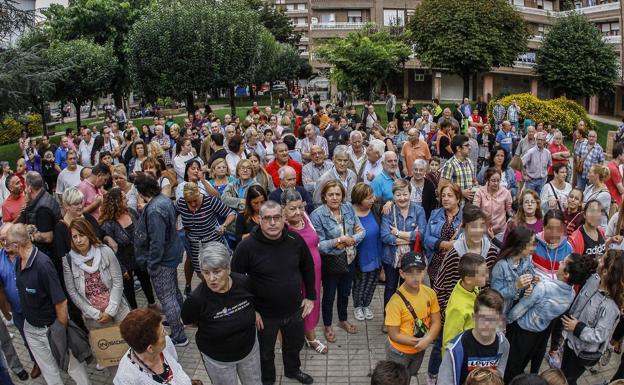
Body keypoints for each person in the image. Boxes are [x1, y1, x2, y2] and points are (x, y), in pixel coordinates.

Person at [232, 200, 315, 385]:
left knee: (294, 345)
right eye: (267, 218)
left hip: (295, 309)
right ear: (259, 220)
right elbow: (235, 281)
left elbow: (308, 267)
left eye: (277, 218)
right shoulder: (246, 247)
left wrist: (311, 296)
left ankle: (293, 370)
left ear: (284, 218)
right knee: (265, 353)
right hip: (264, 315)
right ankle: (267, 380)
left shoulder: (295, 240)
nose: (272, 223)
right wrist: (250, 310)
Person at [6, 223, 92, 385]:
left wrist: (59, 331)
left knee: (72, 366)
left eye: (7, 244)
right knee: (49, 370)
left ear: (17, 245)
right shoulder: (19, 261)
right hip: (31, 329)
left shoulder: (42, 265)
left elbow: (61, 302)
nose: (5, 247)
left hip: (51, 329)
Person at [504, 253, 596, 382]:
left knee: (512, 364)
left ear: (566, 274)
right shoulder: (571, 294)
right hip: (540, 332)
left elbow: (520, 309)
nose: (559, 263)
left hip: (522, 330)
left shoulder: (544, 288)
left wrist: (507, 321)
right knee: (522, 363)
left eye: (563, 263)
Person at [181, 242, 261, 385]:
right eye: (206, 272)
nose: (211, 279)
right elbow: (189, 321)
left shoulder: (244, 283)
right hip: (218, 360)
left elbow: (254, 302)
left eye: (217, 271)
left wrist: (255, 313)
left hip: (249, 351)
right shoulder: (196, 299)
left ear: (228, 269)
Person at [134, 174, 188, 346]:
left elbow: (157, 241)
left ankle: (179, 335)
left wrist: (152, 263)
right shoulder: (163, 200)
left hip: (163, 259)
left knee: (167, 298)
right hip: (171, 254)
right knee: (173, 291)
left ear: (142, 192)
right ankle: (180, 320)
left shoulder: (154, 209)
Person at [311, 180, 364, 343]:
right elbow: (319, 245)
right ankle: (327, 325)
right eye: (331, 194)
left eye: (338, 194)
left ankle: (343, 319)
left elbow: (362, 231)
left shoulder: (348, 208)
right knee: (329, 295)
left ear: (342, 195)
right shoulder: (317, 215)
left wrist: (350, 240)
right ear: (324, 197)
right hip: (331, 262)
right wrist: (338, 240)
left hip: (349, 258)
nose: (335, 197)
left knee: (345, 292)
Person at [560, 249, 624, 385]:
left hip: (582, 352)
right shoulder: (594, 278)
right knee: (562, 373)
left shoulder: (611, 307)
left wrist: (577, 327)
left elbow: (599, 335)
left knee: (568, 379)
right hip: (570, 340)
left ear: (606, 271)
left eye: (602, 259)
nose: (599, 259)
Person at [63, 217, 130, 332]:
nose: (79, 240)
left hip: (119, 312)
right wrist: (94, 313)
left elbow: (118, 281)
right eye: (75, 237)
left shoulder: (105, 251)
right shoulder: (68, 261)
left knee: (131, 345)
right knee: (107, 349)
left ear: (89, 234)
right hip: (95, 320)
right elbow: (72, 292)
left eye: (82, 235)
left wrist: (110, 310)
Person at [281, 189, 326, 354]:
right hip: (297, 276)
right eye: (292, 208)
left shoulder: (305, 216)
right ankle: (295, 341)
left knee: (313, 304)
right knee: (299, 308)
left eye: (300, 207)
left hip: (315, 274)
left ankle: (310, 336)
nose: (298, 212)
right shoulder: (282, 228)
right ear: (283, 209)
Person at [384, 251, 441, 377]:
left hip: (419, 348)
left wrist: (428, 338)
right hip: (399, 352)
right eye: (410, 272)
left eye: (419, 271)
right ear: (402, 273)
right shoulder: (395, 302)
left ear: (425, 271)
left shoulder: (430, 293)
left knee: (409, 376)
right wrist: (422, 341)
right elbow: (394, 334)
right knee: (396, 379)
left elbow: (436, 320)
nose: (416, 277)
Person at [100, 188, 156, 310]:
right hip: (123, 262)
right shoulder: (108, 224)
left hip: (139, 257)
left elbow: (142, 231)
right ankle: (135, 312)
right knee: (129, 289)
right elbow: (110, 252)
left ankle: (152, 304)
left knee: (146, 281)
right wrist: (121, 268)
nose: (127, 200)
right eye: (124, 198)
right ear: (116, 202)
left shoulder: (131, 212)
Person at [438, 289, 509, 385]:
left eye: (492, 319)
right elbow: (444, 381)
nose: (486, 324)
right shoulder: (456, 348)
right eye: (482, 317)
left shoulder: (503, 344)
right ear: (474, 316)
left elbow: (499, 376)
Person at [380, 179, 427, 317]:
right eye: (398, 195)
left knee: (407, 288)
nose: (402, 198)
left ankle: (405, 317)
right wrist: (409, 238)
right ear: (393, 196)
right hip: (391, 257)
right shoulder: (388, 211)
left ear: (410, 194)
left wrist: (398, 233)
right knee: (390, 287)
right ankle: (388, 317)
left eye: (405, 194)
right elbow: (384, 236)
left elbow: (422, 234)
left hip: (412, 258)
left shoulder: (419, 210)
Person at [177, 182, 235, 287]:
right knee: (202, 273)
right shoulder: (180, 203)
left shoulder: (210, 201)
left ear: (199, 193)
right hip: (195, 247)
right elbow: (171, 214)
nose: (193, 204)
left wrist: (224, 226)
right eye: (189, 202)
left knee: (217, 271)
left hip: (213, 244)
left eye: (195, 200)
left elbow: (231, 213)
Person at [115, 308, 193, 385]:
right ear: (150, 348)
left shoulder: (166, 343)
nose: (166, 333)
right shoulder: (126, 378)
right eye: (162, 332)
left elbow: (175, 362)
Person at [442, 253, 488, 353]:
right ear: (468, 279)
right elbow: (449, 341)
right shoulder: (458, 308)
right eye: (483, 274)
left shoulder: (471, 287)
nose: (487, 276)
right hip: (464, 354)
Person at [491, 226, 537, 318]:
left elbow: (531, 277)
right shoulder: (501, 266)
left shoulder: (526, 259)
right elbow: (495, 296)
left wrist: (530, 286)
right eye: (531, 244)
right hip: (502, 314)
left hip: (517, 312)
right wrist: (516, 286)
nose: (534, 248)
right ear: (521, 246)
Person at [351, 183, 381, 322]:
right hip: (360, 256)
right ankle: (358, 306)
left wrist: (388, 204)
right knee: (360, 283)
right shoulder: (350, 212)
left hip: (375, 253)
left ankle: (366, 305)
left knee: (372, 281)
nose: (373, 199)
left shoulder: (375, 209)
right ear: (359, 198)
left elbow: (390, 202)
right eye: (369, 198)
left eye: (372, 196)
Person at [424, 183, 462, 283]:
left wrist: (455, 245)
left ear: (457, 199)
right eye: (443, 196)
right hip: (435, 264)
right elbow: (426, 238)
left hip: (456, 265)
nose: (445, 198)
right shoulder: (435, 213)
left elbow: (468, 241)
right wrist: (444, 244)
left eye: (450, 195)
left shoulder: (465, 217)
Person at [19, 171, 62, 258]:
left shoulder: (43, 209)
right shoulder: (45, 196)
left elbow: (47, 237)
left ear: (30, 188)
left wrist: (28, 234)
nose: (25, 189)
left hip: (47, 255)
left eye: (26, 186)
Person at [474, 167, 513, 237]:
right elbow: (475, 210)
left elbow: (510, 211)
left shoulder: (506, 193)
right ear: (488, 180)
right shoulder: (479, 192)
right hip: (483, 231)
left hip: (500, 231)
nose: (496, 183)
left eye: (498, 180)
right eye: (493, 180)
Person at [439, 135, 478, 202]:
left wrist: (476, 185)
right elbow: (442, 188)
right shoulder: (450, 164)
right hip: (456, 206)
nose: (470, 147)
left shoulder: (469, 161)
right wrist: (461, 192)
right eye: (467, 145)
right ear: (458, 148)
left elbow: (474, 181)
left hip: (469, 207)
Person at [582, 164, 611, 229]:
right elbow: (581, 200)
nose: (588, 174)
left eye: (590, 172)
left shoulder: (604, 194)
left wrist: (579, 204)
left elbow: (589, 209)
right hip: (588, 226)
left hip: (598, 229)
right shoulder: (590, 187)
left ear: (596, 175)